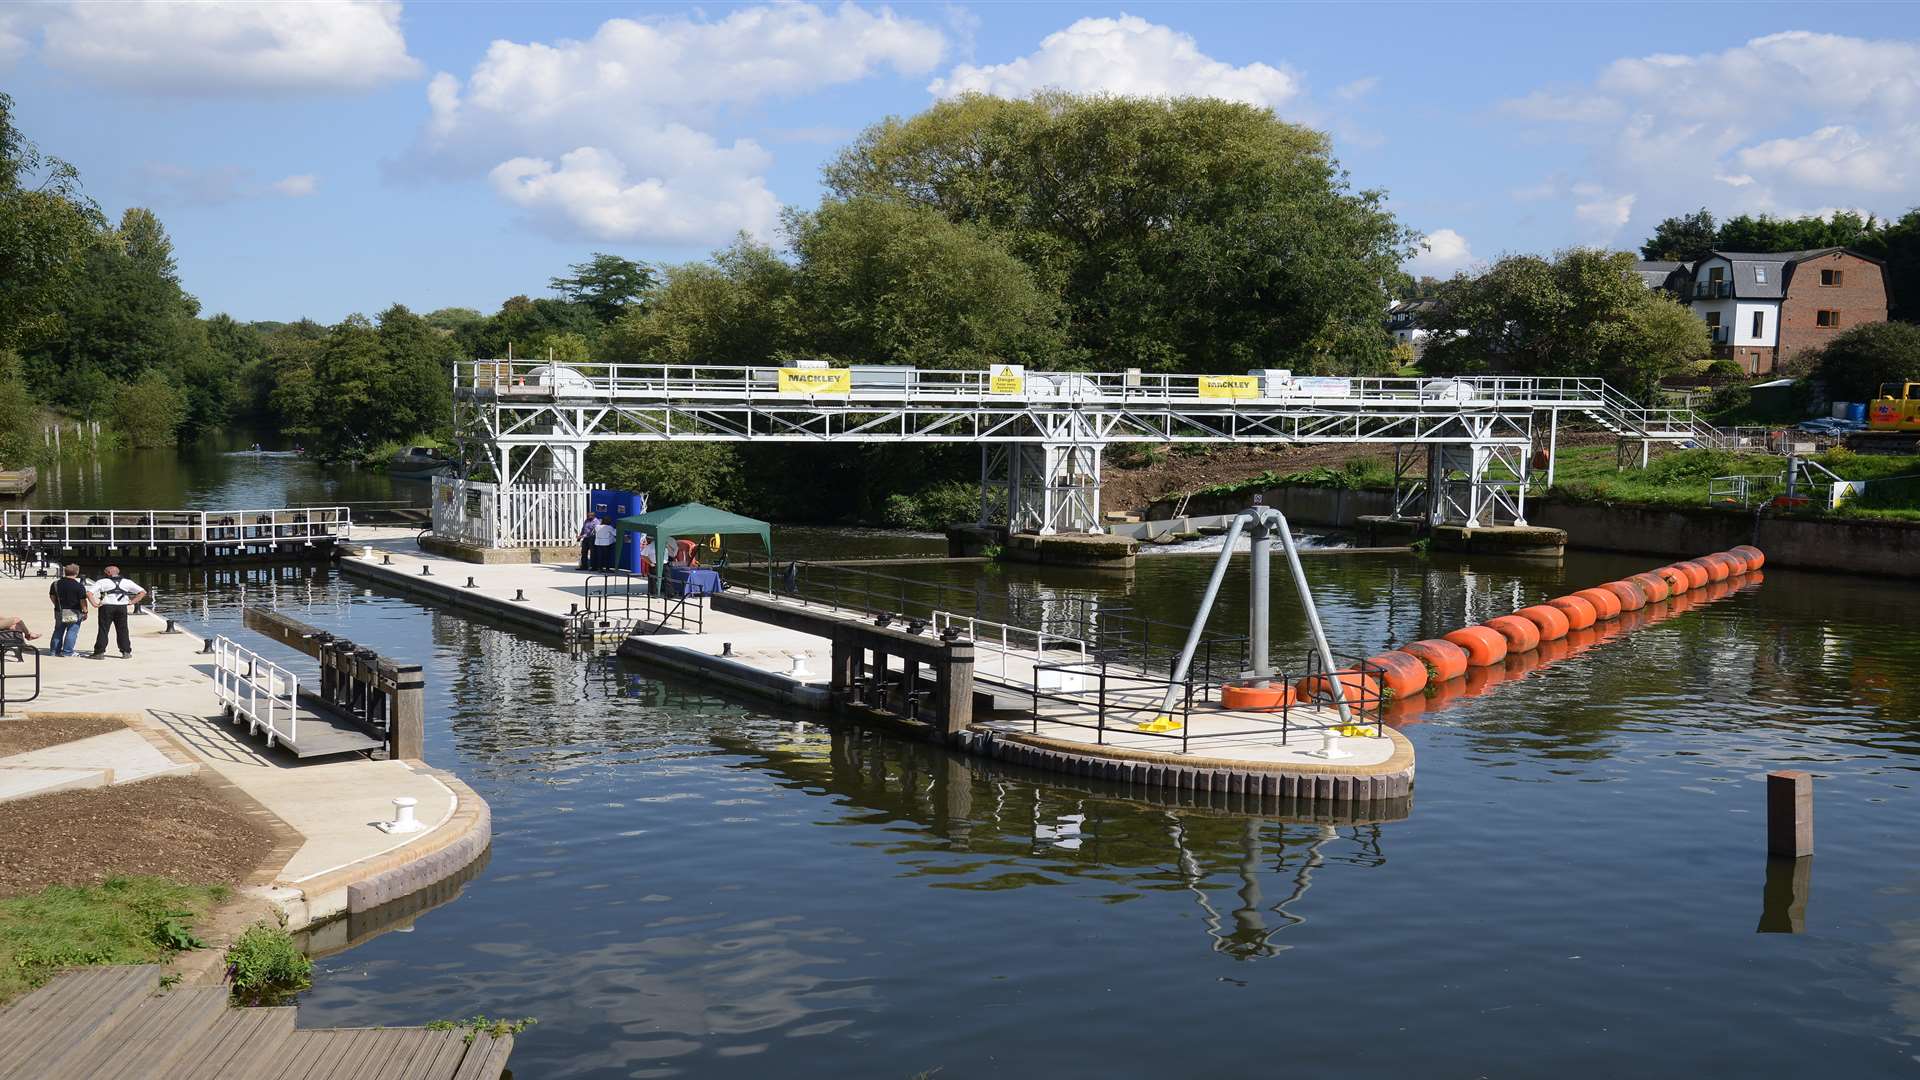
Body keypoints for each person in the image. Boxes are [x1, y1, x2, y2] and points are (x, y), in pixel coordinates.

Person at [87, 564, 146, 659]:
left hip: (106, 607)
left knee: (103, 630)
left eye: (105, 572)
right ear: (117, 572)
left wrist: (94, 604)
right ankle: (126, 652)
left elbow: (89, 593)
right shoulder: (127, 582)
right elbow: (142, 592)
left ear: (108, 573)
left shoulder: (102, 582)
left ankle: (99, 653)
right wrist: (132, 602)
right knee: (123, 630)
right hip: (122, 608)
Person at [48, 564, 86, 657]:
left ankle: (54, 651)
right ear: (76, 573)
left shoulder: (55, 583)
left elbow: (52, 596)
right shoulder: (78, 586)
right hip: (73, 611)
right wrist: (85, 611)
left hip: (59, 610)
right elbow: (82, 601)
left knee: (58, 630)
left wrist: (56, 605)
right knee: (71, 631)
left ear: (65, 572)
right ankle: (67, 651)